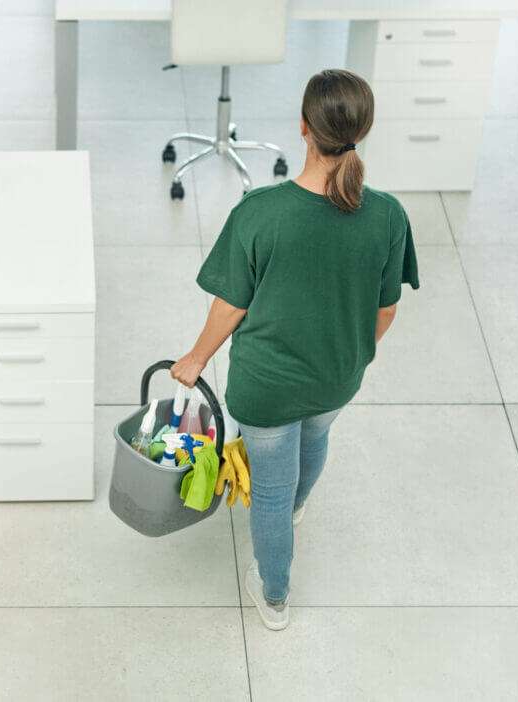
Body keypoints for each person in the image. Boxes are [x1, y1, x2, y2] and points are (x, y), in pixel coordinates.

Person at [170, 69, 419, 631]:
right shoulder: (387, 215)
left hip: (267, 389)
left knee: (271, 491)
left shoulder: (260, 213)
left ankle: (276, 596)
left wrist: (195, 359)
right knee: (316, 436)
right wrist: (353, 353)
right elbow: (386, 310)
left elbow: (230, 306)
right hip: (338, 378)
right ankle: (296, 508)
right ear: (362, 131)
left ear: (303, 128)